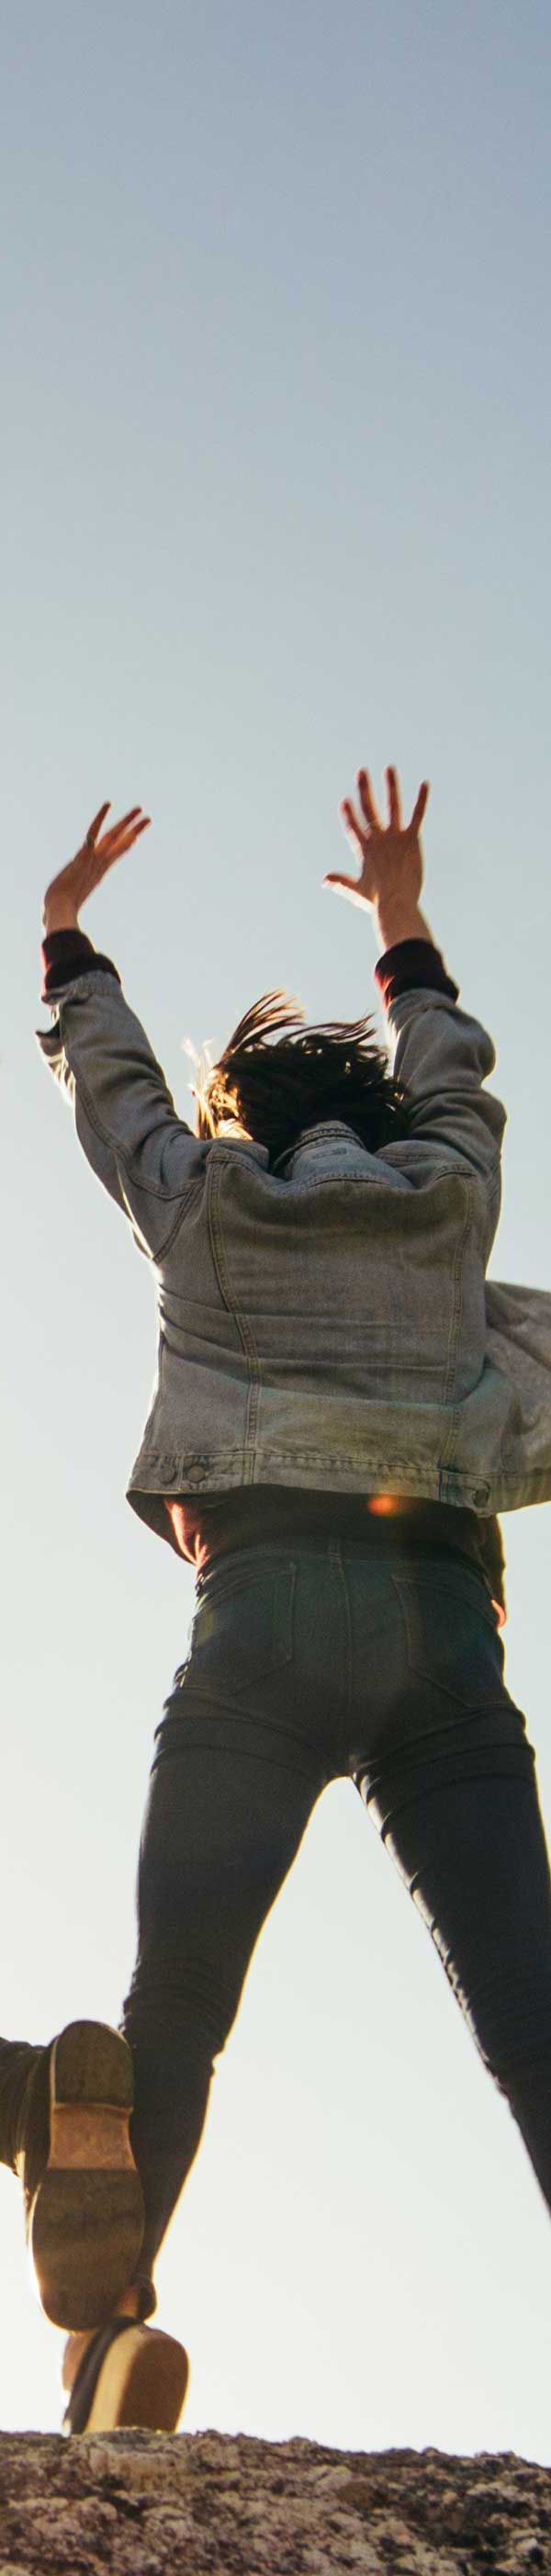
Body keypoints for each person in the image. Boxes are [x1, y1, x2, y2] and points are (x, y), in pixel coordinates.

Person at [4, 762, 551, 2436]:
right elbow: (456, 1060)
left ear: (246, 1112)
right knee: (532, 2018)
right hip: (442, 1630)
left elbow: (114, 1096)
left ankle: (103, 2305)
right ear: (384, 1118)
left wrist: (66, 942)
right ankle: (63, 2160)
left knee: (181, 2004)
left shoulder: (207, 1200)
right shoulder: (452, 1193)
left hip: (261, 1623)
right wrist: (398, 917)